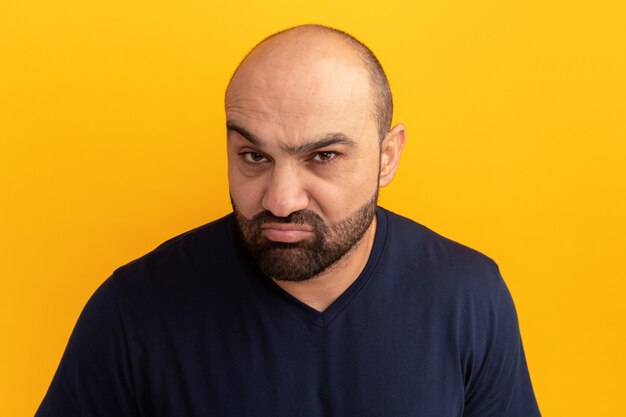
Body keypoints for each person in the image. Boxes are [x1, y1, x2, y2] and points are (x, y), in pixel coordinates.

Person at [36, 24, 541, 416]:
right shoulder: (134, 310)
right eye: (254, 156)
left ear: (387, 156)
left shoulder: (469, 295)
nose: (279, 201)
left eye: (323, 156)